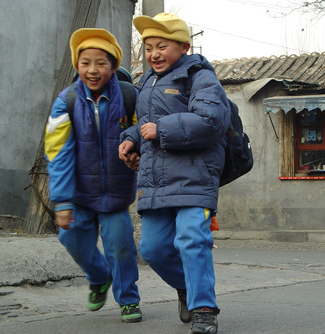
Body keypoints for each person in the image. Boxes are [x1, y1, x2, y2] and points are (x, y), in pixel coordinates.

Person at [118, 13, 230, 334]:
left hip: (195, 178)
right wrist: (130, 141)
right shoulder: (145, 82)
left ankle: (204, 308)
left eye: (161, 46)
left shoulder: (200, 77)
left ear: (183, 46)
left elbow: (211, 120)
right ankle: (188, 288)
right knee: (152, 249)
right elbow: (144, 125)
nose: (153, 53)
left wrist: (160, 128)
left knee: (192, 239)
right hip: (156, 183)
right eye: (148, 47)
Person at [44, 28, 142, 323]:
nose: (93, 70)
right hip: (79, 194)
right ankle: (99, 277)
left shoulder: (129, 97)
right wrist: (61, 201)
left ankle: (128, 299)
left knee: (121, 248)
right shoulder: (66, 101)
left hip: (115, 193)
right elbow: (57, 152)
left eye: (101, 63)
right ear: (77, 65)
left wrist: (137, 150)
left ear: (113, 66)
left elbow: (142, 133)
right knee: (71, 239)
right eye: (85, 62)